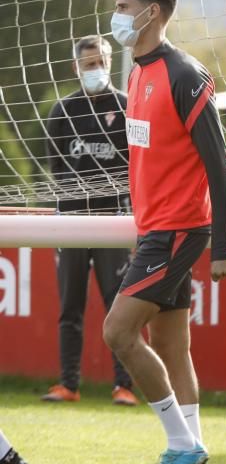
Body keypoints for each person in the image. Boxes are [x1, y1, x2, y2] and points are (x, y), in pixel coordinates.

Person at [102, 0, 226, 464]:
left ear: (151, 12)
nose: (115, 15)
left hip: (180, 229)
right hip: (155, 229)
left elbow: (219, 165)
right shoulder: (136, 71)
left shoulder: (185, 74)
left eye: (122, 5)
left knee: (118, 332)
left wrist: (221, 245)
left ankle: (182, 446)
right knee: (172, 345)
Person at [42, 35, 136, 406]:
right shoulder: (61, 112)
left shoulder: (128, 109)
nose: (95, 69)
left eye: (101, 63)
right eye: (88, 64)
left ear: (111, 63)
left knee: (119, 308)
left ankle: (123, 385)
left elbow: (136, 168)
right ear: (75, 67)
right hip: (71, 223)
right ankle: (69, 384)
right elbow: (57, 171)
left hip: (114, 222)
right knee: (70, 308)